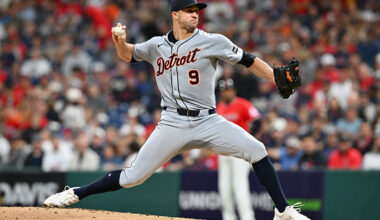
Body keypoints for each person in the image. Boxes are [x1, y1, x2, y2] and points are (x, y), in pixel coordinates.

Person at [44, 1, 309, 219]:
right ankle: (77, 193)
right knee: (133, 177)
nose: (195, 15)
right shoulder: (156, 45)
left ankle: (283, 210)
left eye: (197, 11)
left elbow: (248, 60)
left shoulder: (212, 40)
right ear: (175, 14)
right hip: (172, 122)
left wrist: (275, 75)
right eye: (190, 11)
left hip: (209, 120)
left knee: (258, 150)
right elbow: (127, 55)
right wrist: (119, 41)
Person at [216, 78, 259, 220]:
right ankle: (228, 217)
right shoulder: (218, 108)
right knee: (224, 188)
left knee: (239, 186)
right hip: (224, 151)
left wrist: (249, 139)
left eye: (229, 90)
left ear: (234, 90)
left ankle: (248, 217)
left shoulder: (243, 104)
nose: (226, 93)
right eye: (224, 90)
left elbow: (257, 121)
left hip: (241, 151)